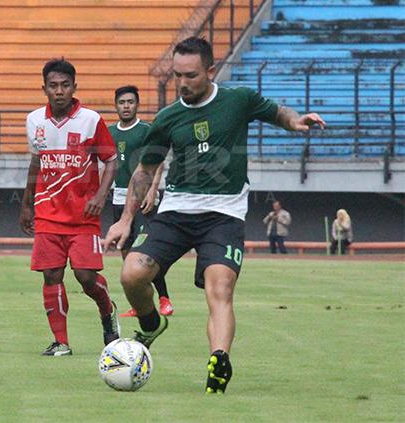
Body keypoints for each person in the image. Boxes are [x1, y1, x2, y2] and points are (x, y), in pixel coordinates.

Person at [103, 36, 325, 393]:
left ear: (210, 70)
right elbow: (145, 171)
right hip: (176, 212)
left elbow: (276, 112)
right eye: (177, 76)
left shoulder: (238, 100)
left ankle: (219, 361)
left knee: (219, 287)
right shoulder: (168, 118)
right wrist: (126, 219)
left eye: (190, 75)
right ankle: (151, 323)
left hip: (224, 215)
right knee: (132, 274)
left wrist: (295, 121)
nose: (183, 83)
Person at [20, 58, 120, 356]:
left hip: (83, 215)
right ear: (44, 89)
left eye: (65, 85)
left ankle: (107, 310)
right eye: (53, 86)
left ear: (74, 87)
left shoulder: (90, 120)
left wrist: (101, 195)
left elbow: (111, 161)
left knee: (86, 278)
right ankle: (61, 341)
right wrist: (26, 204)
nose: (59, 91)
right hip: (47, 211)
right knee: (51, 274)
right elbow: (37, 161)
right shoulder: (34, 120)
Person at [108, 85, 174, 317]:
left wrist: (151, 190)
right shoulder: (110, 132)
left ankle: (164, 298)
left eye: (130, 102)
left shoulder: (146, 129)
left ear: (137, 105)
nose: (126, 106)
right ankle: (140, 304)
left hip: (144, 198)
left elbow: (157, 161)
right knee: (127, 254)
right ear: (115, 105)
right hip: (119, 199)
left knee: (147, 254)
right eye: (122, 102)